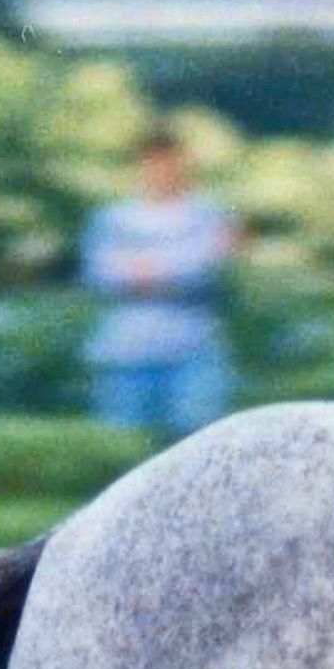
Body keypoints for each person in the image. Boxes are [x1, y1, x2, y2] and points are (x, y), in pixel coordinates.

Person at [81, 130, 239, 440]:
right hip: (125, 351)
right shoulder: (111, 218)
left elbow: (203, 268)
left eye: (169, 161)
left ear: (185, 163)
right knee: (124, 449)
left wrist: (142, 270)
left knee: (200, 444)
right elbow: (101, 274)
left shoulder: (209, 214)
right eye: (152, 162)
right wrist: (170, 268)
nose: (161, 170)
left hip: (192, 348)